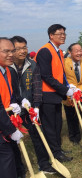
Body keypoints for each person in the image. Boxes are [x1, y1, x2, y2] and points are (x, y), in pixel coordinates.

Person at [9, 36, 56, 174]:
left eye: (24, 47)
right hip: (12, 109)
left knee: (37, 134)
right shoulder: (6, 67)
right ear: (12, 50)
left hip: (29, 108)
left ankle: (44, 164)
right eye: (18, 48)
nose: (22, 51)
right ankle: (19, 170)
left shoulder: (32, 64)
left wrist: (36, 106)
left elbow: (37, 86)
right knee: (13, 140)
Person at [35, 24, 74, 162]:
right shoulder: (45, 51)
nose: (63, 36)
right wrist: (64, 89)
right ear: (51, 35)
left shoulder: (57, 51)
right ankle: (54, 153)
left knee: (58, 124)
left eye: (64, 33)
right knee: (50, 126)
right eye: (60, 33)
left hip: (55, 94)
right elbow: (46, 75)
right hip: (47, 95)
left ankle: (57, 149)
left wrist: (68, 86)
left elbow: (59, 73)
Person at [0, 37, 25, 178]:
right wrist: (11, 130)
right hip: (2, 127)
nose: (11, 54)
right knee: (6, 161)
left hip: (5, 122)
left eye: (12, 51)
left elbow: (9, 94)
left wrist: (15, 103)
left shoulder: (7, 71)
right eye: (6, 51)